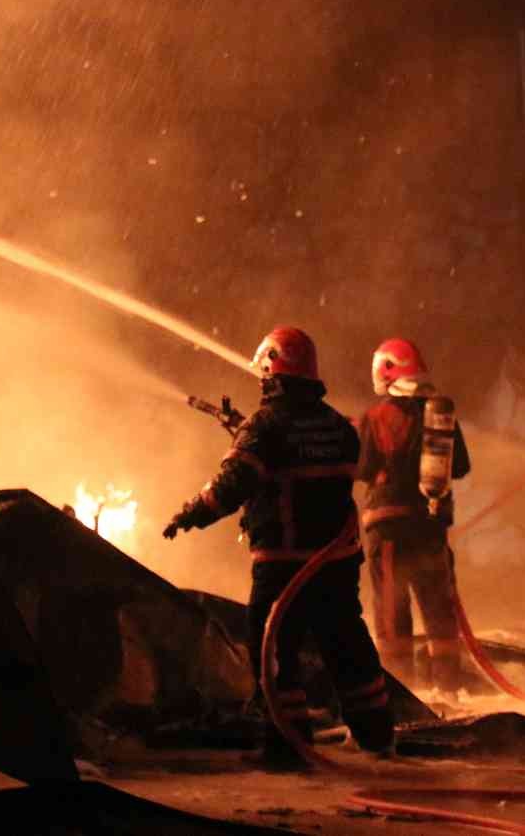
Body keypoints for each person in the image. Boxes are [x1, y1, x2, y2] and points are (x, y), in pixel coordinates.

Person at [163, 326, 394, 765]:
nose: (261, 383)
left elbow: (235, 483)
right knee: (346, 644)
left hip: (283, 564)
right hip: (336, 564)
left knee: (273, 654)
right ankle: (378, 736)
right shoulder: (338, 426)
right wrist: (244, 432)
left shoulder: (265, 426)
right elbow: (304, 457)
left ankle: (287, 746)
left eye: (264, 375)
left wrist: (191, 514)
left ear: (273, 370)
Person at [355, 338, 474, 693]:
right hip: (430, 527)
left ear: (385, 371)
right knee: (439, 610)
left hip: (387, 529)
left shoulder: (376, 417)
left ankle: (402, 691)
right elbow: (461, 466)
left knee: (392, 612)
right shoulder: (441, 414)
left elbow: (362, 468)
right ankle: (449, 689)